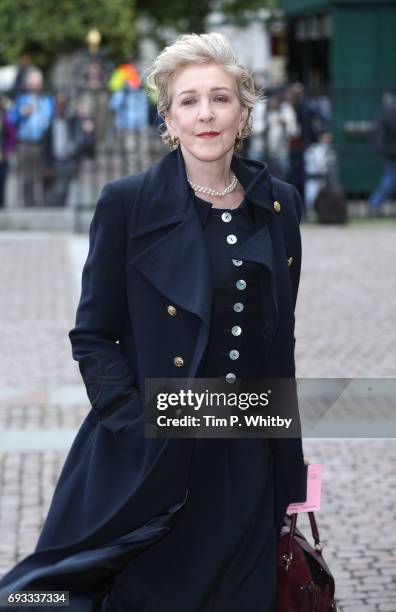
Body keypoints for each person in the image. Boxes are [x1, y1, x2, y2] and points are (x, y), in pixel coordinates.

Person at [0, 33, 307, 611]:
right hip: (159, 460)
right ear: (168, 116)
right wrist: (138, 424)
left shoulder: (280, 204)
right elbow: (93, 335)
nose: (206, 114)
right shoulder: (128, 203)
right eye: (188, 101)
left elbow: (280, 344)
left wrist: (288, 471)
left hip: (247, 459)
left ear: (243, 109)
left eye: (220, 98)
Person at [9, 67, 54, 206]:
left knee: (42, 174)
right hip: (25, 142)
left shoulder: (47, 100)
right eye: (32, 81)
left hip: (42, 142)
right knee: (26, 175)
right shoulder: (20, 100)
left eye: (37, 82)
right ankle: (28, 204)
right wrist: (22, 113)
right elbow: (10, 119)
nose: (35, 85)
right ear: (27, 84)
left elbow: (51, 118)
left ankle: (43, 204)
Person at [368, 92, 396, 216]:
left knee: (389, 179)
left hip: (390, 151)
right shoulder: (389, 113)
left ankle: (374, 204)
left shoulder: (386, 112)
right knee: (389, 180)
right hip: (392, 152)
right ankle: (374, 204)